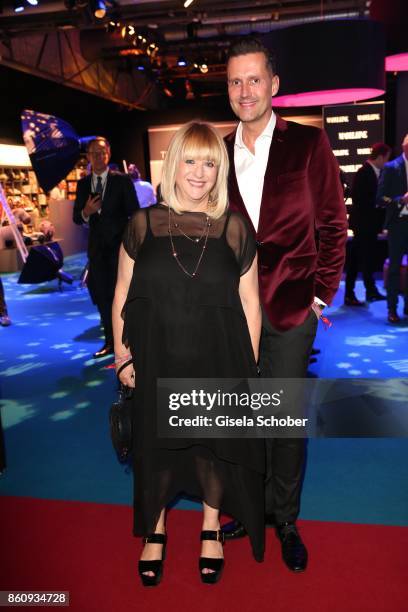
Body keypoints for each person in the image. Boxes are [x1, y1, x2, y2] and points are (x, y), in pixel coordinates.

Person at [112, 122, 265, 586]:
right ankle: (154, 531)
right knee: (155, 449)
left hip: (219, 360)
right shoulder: (142, 225)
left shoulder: (235, 228)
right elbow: (121, 294)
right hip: (157, 360)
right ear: (173, 164)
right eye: (191, 160)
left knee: (213, 448)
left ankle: (210, 527)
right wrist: (123, 357)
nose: (200, 173)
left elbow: (251, 302)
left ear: (220, 171)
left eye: (210, 163)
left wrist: (250, 367)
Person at [223, 36, 348, 572]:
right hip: (230, 311)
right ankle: (250, 506)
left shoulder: (308, 145)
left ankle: (286, 519)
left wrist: (320, 294)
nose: (245, 91)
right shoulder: (217, 153)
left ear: (274, 85)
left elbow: (332, 225)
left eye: (254, 79)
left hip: (293, 306)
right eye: (235, 81)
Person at [73, 137, 139, 358]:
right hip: (97, 251)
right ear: (88, 157)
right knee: (102, 297)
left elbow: (135, 213)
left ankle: (131, 341)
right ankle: (110, 342)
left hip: (120, 249)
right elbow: (76, 218)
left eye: (102, 152)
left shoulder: (122, 181)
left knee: (124, 296)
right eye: (94, 153)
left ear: (108, 153)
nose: (98, 156)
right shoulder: (82, 184)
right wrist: (86, 212)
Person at [345, 143, 391, 306]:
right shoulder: (364, 172)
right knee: (357, 259)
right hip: (363, 225)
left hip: (369, 225)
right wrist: (379, 203)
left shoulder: (375, 172)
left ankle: (369, 291)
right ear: (380, 157)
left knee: (365, 258)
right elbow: (359, 198)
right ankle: (351, 293)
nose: (387, 162)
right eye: (386, 158)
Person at [377, 134, 408, 323]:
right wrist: (400, 200)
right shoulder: (391, 168)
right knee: (395, 268)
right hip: (398, 225)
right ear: (405, 148)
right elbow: (380, 198)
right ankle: (392, 309)